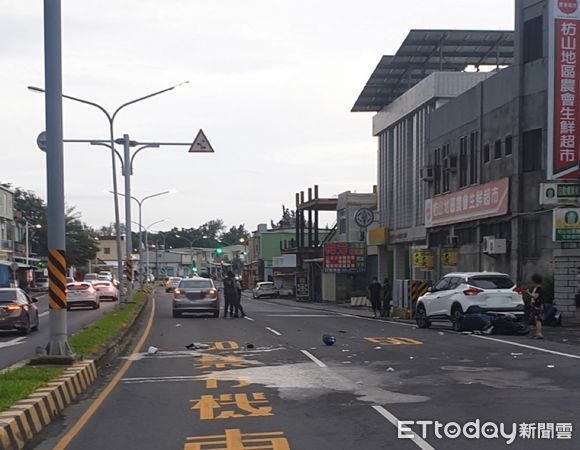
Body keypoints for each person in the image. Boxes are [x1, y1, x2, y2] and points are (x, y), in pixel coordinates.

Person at [528, 273, 544, 339]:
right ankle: (537, 333)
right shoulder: (535, 288)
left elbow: (535, 296)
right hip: (535, 305)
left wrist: (528, 293)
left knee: (538, 319)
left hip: (538, 305)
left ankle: (539, 333)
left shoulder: (539, 289)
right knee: (536, 319)